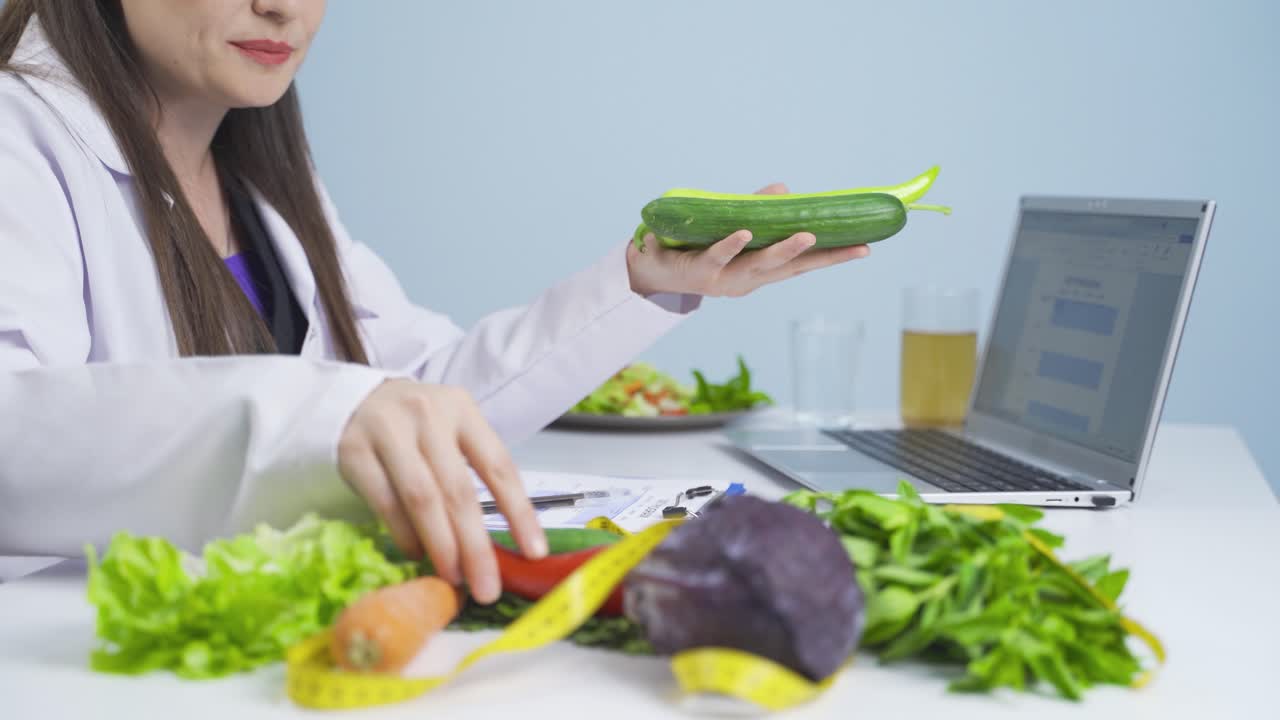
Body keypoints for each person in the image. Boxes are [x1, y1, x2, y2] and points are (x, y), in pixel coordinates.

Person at [0, 0, 870, 603]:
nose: (283, 8)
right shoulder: (18, 134)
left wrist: (648, 282)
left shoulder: (261, 181)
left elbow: (427, 393)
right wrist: (320, 417)